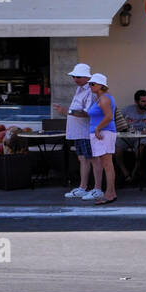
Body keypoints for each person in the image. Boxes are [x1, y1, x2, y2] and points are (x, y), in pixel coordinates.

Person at [54, 63, 96, 199]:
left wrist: (66, 111)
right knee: (83, 159)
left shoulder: (90, 91)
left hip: (84, 131)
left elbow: (87, 113)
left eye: (78, 76)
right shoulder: (80, 89)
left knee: (89, 159)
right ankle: (83, 187)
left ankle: (92, 187)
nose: (75, 79)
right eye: (73, 77)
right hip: (78, 131)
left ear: (86, 77)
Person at [86, 72, 118, 205]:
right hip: (101, 133)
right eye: (90, 84)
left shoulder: (104, 99)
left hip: (104, 132)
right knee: (106, 163)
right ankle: (111, 192)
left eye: (92, 84)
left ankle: (110, 193)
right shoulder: (100, 99)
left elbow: (109, 116)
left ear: (100, 86)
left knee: (107, 164)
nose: (90, 86)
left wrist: (98, 128)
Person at [115, 89, 146, 182]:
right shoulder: (128, 110)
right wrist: (122, 127)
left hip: (143, 137)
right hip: (129, 136)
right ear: (136, 102)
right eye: (143, 101)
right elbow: (117, 119)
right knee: (117, 148)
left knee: (140, 148)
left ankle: (135, 172)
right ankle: (125, 173)